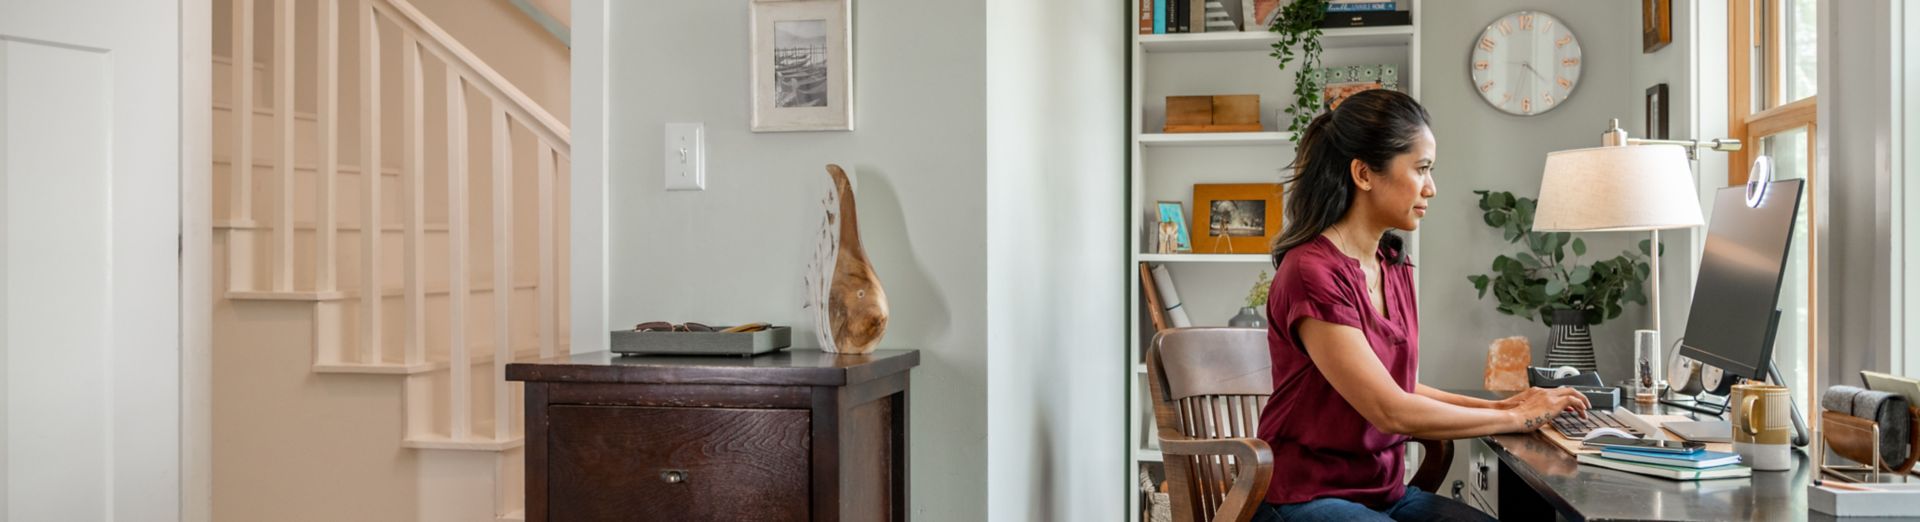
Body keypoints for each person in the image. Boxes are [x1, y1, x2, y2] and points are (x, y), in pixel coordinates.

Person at [1251, 89, 1590, 522]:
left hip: (1384, 493)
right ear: (1364, 173)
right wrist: (1519, 418)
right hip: (1305, 496)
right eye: (1422, 168)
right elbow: (1389, 410)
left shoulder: (1392, 263)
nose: (1432, 187)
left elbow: (1401, 386)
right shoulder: (1311, 272)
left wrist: (1506, 407)